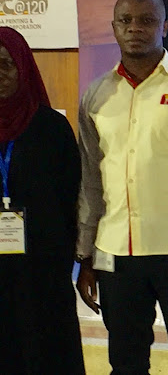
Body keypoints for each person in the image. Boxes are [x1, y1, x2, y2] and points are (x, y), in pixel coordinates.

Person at [76, 0, 168, 374]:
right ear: (113, 28)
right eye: (126, 21)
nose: (135, 28)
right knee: (125, 361)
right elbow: (91, 179)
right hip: (115, 253)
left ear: (165, 27)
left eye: (146, 20)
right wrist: (85, 255)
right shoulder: (95, 95)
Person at [0, 27, 84, 374]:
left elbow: (70, 199)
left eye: (6, 64)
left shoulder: (51, 128)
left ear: (24, 67)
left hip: (41, 270)